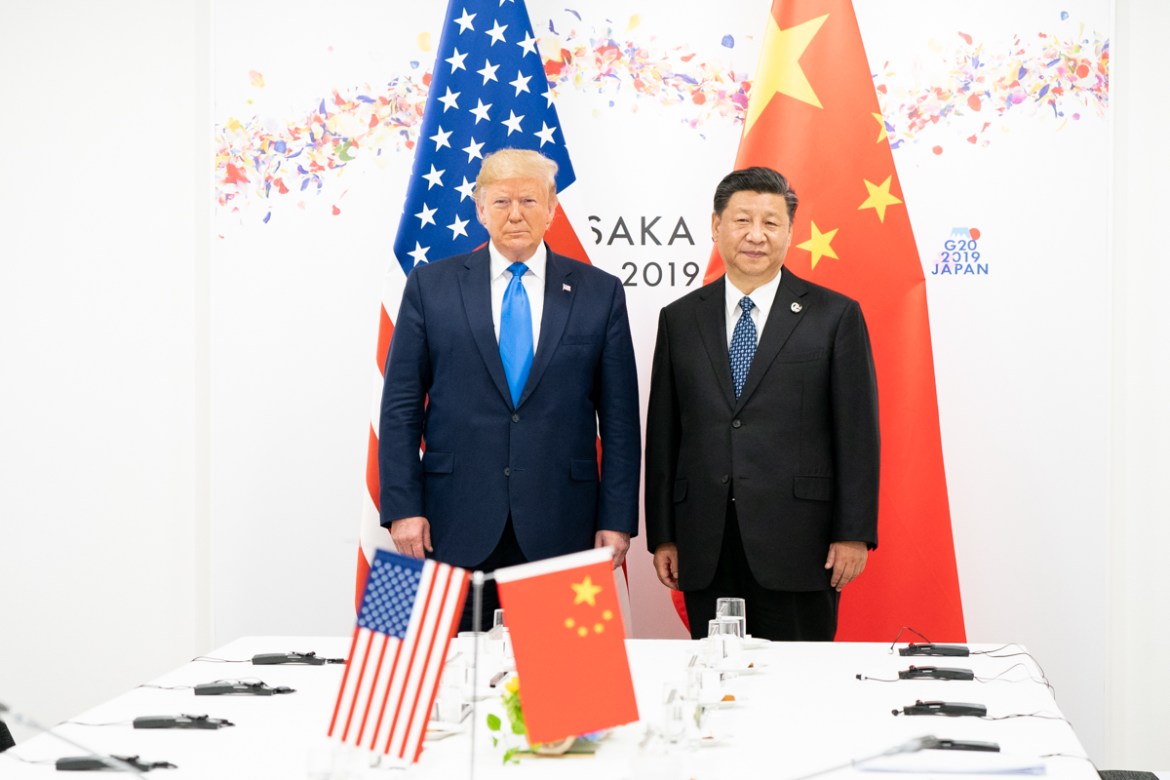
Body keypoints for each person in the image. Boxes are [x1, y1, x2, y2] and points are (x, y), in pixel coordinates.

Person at [379, 149, 641, 631]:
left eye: (528, 200)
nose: (515, 214)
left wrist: (618, 519)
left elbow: (621, 422)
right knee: (446, 691)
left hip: (564, 527)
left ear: (552, 209)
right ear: (480, 210)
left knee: (570, 694)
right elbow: (399, 409)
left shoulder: (600, 292)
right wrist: (401, 509)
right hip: (448, 525)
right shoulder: (429, 286)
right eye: (500, 202)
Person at [644, 167, 879, 641]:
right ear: (716, 227)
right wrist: (664, 534)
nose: (756, 235)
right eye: (742, 220)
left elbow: (856, 433)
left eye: (771, 223)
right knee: (715, 683)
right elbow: (665, 434)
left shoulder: (835, 316)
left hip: (801, 542)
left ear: (790, 232)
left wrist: (853, 532)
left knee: (798, 687)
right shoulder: (680, 319)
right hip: (705, 544)